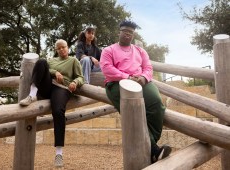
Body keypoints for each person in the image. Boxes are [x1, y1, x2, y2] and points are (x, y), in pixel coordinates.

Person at [99, 20, 171, 164]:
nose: (127, 34)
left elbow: (148, 67)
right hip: (117, 84)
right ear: (119, 32)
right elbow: (107, 69)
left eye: (130, 32)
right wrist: (127, 77)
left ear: (133, 34)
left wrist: (144, 78)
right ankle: (154, 149)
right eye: (125, 31)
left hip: (140, 82)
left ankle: (150, 144)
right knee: (133, 112)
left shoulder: (140, 51)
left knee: (156, 104)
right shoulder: (109, 50)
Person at [19, 39, 84, 167]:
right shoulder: (52, 60)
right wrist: (56, 72)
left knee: (58, 111)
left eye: (63, 47)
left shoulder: (73, 61)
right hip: (48, 86)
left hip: (62, 89)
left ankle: (59, 153)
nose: (61, 50)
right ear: (56, 50)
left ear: (68, 47)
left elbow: (81, 77)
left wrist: (74, 83)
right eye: (58, 48)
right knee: (41, 61)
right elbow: (45, 70)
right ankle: (32, 95)